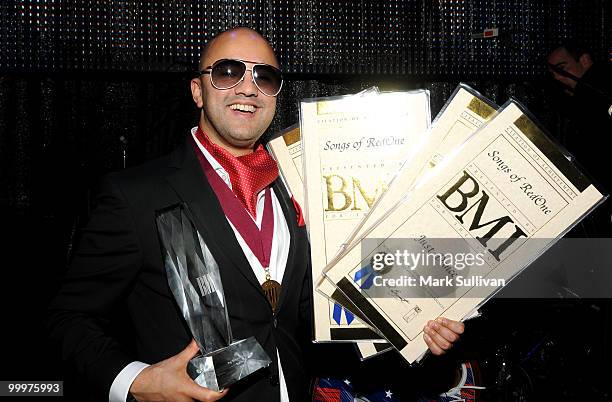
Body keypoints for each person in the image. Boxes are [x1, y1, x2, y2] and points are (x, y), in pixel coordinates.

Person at [47, 27, 465, 402]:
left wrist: (412, 324)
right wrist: (136, 381)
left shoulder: (298, 185)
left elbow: (306, 318)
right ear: (198, 90)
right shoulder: (135, 194)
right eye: (228, 72)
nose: (248, 88)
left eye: (264, 77)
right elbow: (67, 319)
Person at [547, 42, 612, 236]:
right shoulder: (576, 101)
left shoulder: (598, 91)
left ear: (584, 60)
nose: (557, 78)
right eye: (553, 75)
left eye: (562, 69)